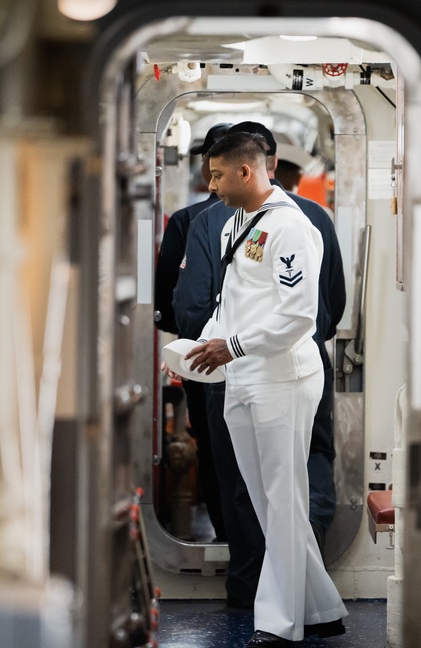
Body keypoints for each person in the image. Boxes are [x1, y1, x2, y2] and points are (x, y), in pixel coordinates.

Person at [174, 131, 347, 648]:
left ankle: (278, 621)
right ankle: (319, 608)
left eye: (218, 174)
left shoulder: (291, 227)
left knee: (282, 495)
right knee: (266, 500)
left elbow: (298, 317)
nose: (211, 184)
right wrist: (203, 345)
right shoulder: (235, 225)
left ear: (246, 172)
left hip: (282, 377)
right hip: (242, 373)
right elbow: (232, 301)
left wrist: (232, 345)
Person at [154, 122, 232, 542]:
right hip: (267, 364)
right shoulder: (303, 216)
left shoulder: (188, 220)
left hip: (203, 361)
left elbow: (168, 300)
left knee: (214, 451)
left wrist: (185, 346)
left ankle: (227, 540)